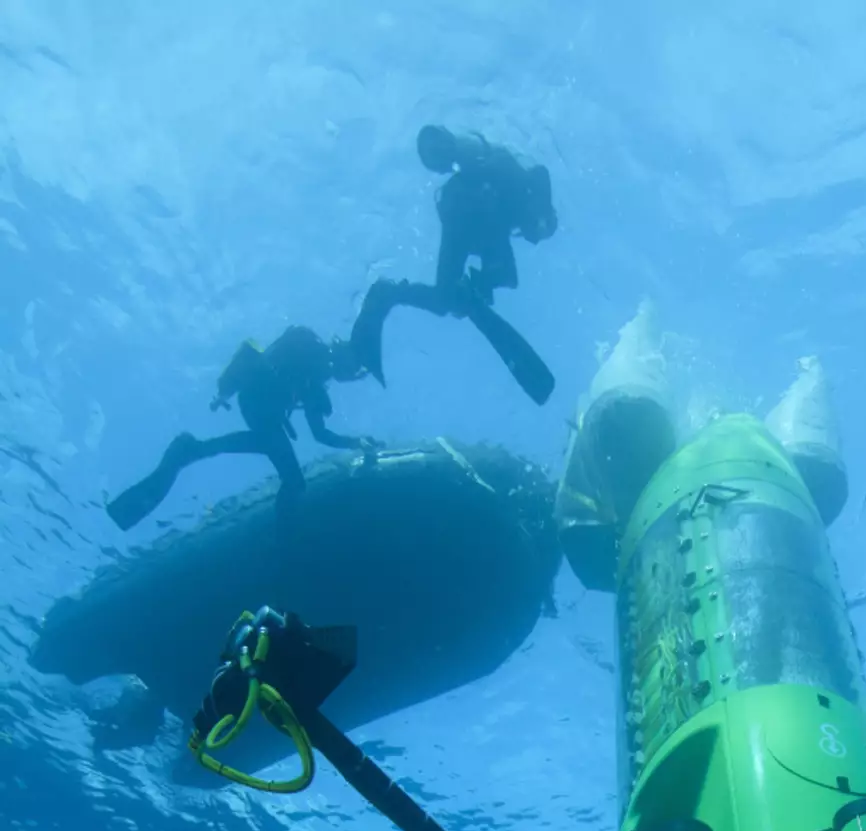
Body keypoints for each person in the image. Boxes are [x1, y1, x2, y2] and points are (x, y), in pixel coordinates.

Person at [345, 124, 557, 405]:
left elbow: (522, 180)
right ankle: (406, 293)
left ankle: (391, 292)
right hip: (469, 212)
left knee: (447, 300)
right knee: (489, 282)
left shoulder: (513, 187)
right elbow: (527, 176)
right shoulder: (516, 183)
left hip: (465, 215)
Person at [105, 326, 378, 532]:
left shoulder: (315, 383)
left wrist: (356, 442)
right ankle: (285, 538)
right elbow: (319, 432)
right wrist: (356, 442)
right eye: (354, 368)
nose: (352, 375)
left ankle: (193, 449)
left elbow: (319, 433)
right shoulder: (310, 355)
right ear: (345, 354)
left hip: (259, 406)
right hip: (258, 402)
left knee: (275, 453)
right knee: (291, 476)